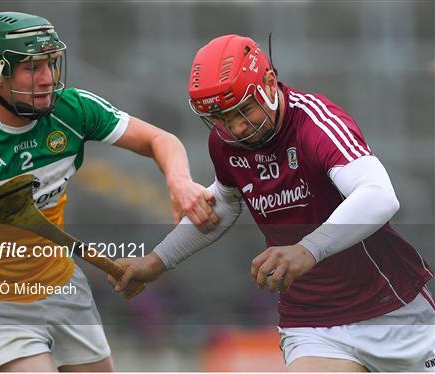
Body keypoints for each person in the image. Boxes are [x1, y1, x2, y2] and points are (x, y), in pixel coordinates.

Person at [0, 12, 219, 372]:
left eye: (50, 63)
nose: (48, 79)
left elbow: (161, 140)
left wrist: (179, 182)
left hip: (64, 289)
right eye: (32, 69)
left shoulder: (73, 111)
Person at [110, 34, 435, 372]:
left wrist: (307, 249)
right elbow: (223, 202)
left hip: (392, 311)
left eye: (244, 111)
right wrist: (157, 260)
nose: (236, 128)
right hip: (313, 322)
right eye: (221, 117)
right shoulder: (225, 143)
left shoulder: (315, 123)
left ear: (268, 81)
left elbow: (379, 194)